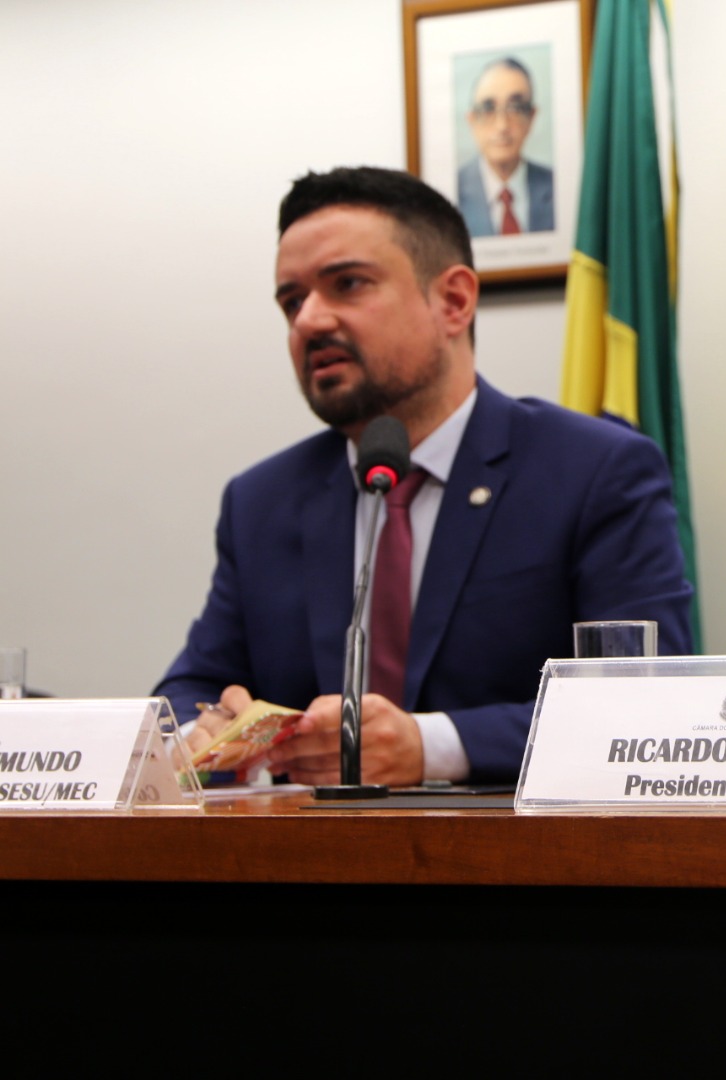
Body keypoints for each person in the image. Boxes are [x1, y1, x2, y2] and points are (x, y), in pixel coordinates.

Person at [156, 166, 692, 785]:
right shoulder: (261, 501)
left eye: (347, 284)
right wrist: (201, 734)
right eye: (292, 301)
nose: (309, 322)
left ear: (454, 301)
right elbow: (189, 690)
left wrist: (429, 746)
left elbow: (646, 704)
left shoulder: (594, 471)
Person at [457, 57, 555, 237]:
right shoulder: (451, 192)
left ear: (532, 117)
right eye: (488, 108)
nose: (502, 126)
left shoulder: (557, 186)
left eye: (516, 108)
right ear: (471, 120)